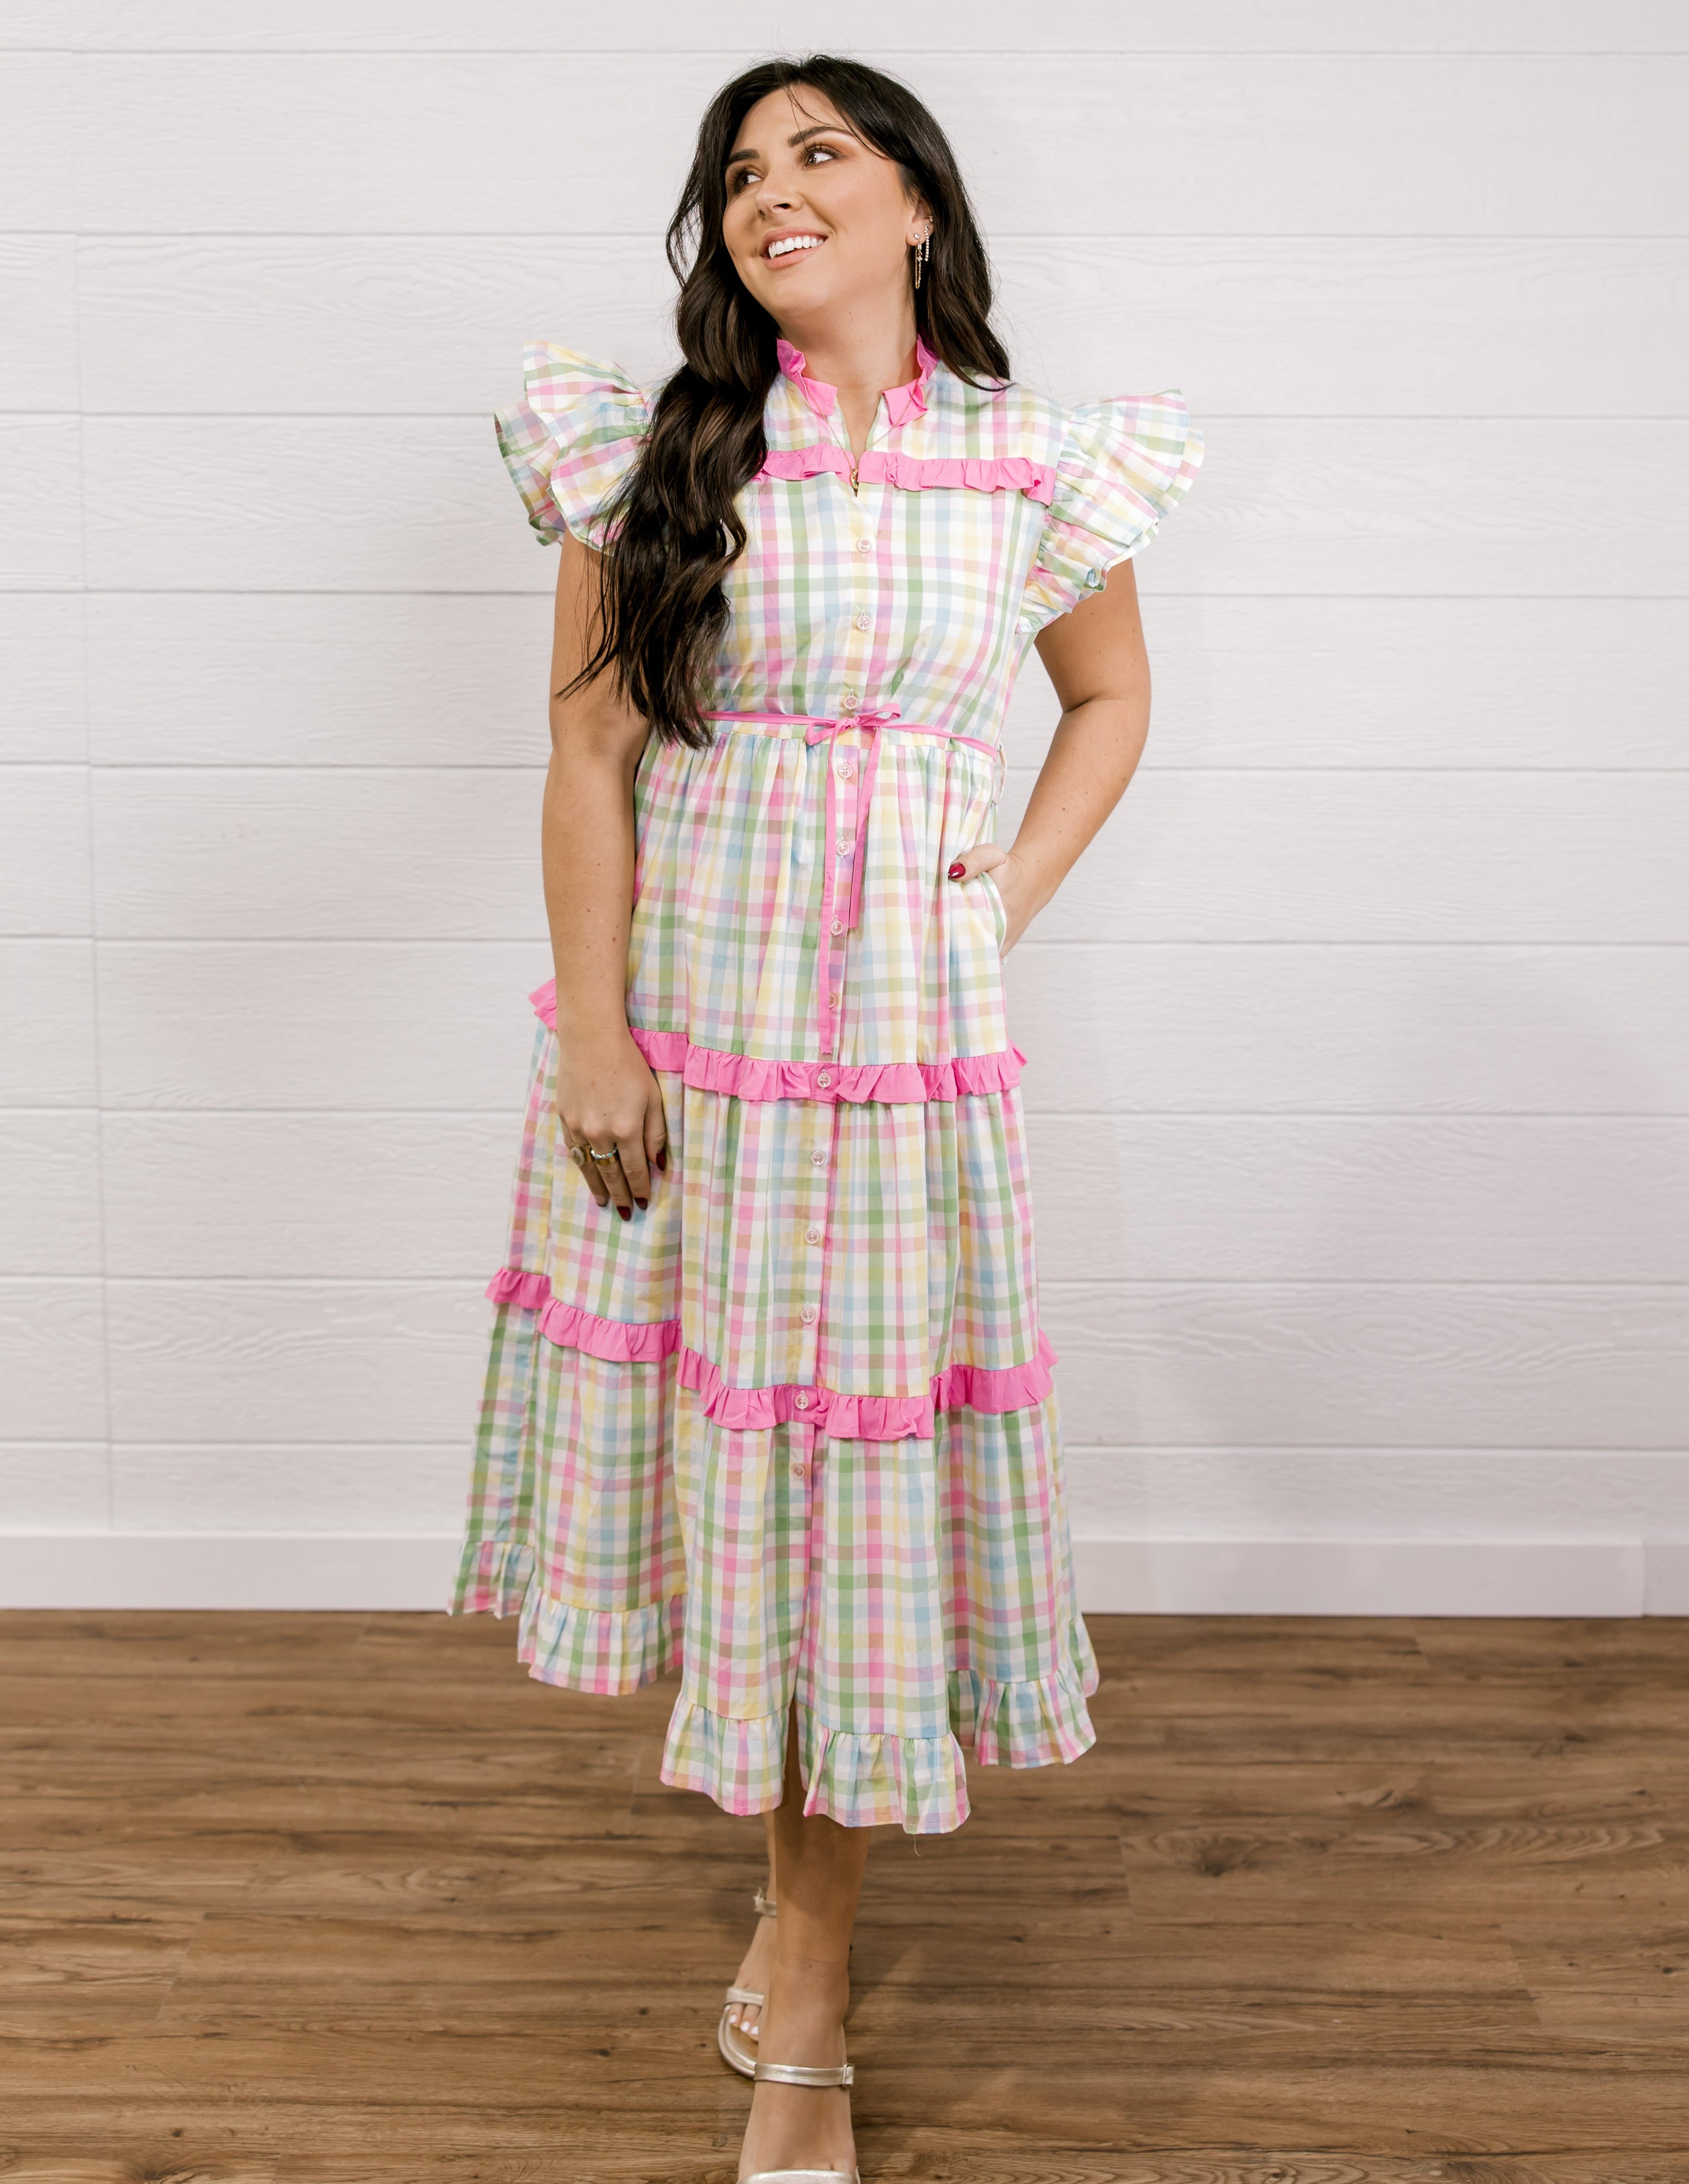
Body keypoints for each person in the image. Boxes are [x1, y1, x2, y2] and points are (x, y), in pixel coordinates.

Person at [451, 52, 1202, 2182]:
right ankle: (793, 1938)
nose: (771, 191)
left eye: (819, 154)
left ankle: (806, 1976)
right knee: (739, 1485)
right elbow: (588, 759)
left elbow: (1112, 697)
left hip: (903, 1059)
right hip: (694, 1035)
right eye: (739, 171)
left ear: (918, 204)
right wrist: (598, 1036)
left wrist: (1000, 897)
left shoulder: (1032, 464)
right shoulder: (662, 451)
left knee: (859, 1505)